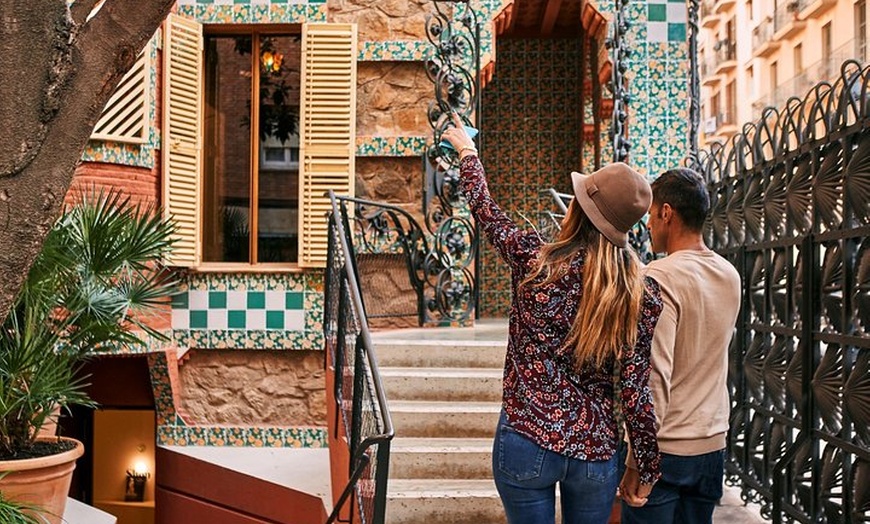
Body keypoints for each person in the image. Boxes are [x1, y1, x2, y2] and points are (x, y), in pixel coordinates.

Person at [442, 113, 663, 524]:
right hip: (596, 454)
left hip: (526, 438)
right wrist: (646, 467)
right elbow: (636, 392)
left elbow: (485, 210)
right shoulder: (640, 294)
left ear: (578, 208)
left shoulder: (535, 261)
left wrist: (468, 153)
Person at [619, 168, 741, 524]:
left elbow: (654, 376)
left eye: (651, 214)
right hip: (712, 445)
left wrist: (636, 461)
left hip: (665, 449)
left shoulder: (659, 277)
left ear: (666, 213)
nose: (649, 224)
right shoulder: (729, 274)